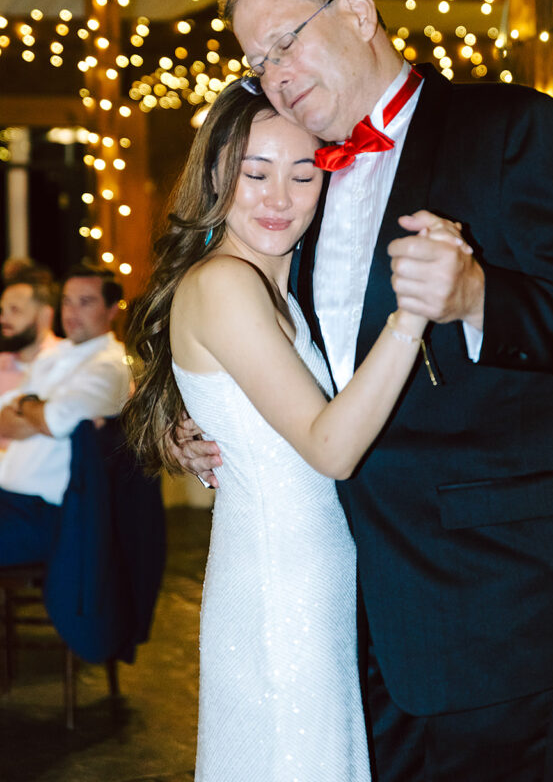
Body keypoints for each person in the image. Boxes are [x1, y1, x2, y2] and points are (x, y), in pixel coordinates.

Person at [175, 0, 553, 782]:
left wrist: (481, 297)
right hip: (346, 603)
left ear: (358, 12)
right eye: (256, 62)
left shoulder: (512, 128)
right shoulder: (302, 187)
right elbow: (281, 347)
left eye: (284, 43)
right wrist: (212, 419)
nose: (274, 75)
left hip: (492, 599)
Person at [124, 80, 455, 782]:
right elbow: (330, 447)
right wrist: (412, 316)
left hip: (308, 577)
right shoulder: (225, 285)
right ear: (217, 174)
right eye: (255, 173)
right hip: (279, 587)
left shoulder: (273, 282)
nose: (279, 197)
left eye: (303, 173)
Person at [0, 264, 131, 566]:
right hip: (11, 502)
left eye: (85, 302)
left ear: (112, 310)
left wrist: (28, 407)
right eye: (67, 301)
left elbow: (55, 420)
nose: (72, 312)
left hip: (47, 516)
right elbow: (6, 416)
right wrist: (38, 409)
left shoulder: (109, 365)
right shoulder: (52, 355)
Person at [0, 265, 59, 394]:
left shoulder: (67, 362)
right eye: (2, 311)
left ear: (45, 315)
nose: (3, 319)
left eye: (14, 310)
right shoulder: (2, 365)